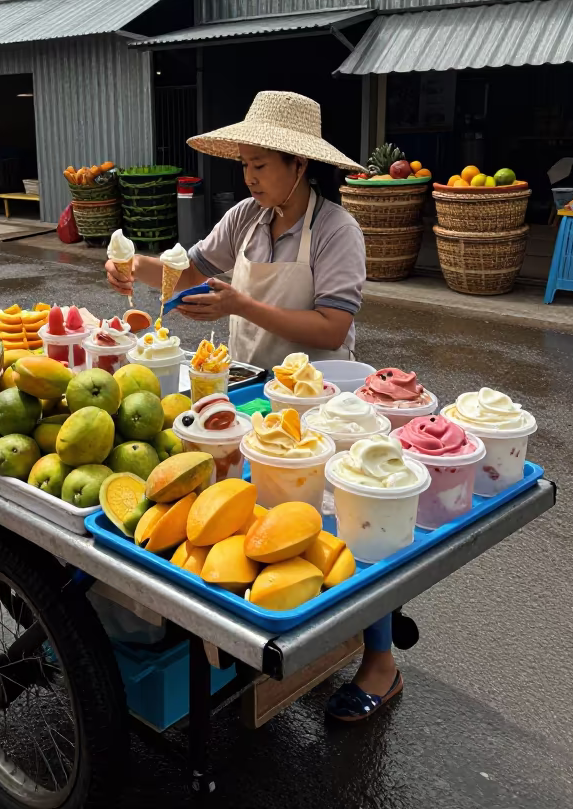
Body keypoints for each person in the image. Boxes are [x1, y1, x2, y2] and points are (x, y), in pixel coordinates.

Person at [105, 90, 401, 721]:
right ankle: (276, 630)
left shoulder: (335, 230)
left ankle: (380, 658)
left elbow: (328, 327)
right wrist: (137, 266)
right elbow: (193, 271)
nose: (249, 177)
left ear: (299, 165)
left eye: (260, 165)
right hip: (250, 388)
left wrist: (238, 304)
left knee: (345, 524)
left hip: (323, 399)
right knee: (261, 515)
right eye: (244, 165)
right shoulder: (245, 218)